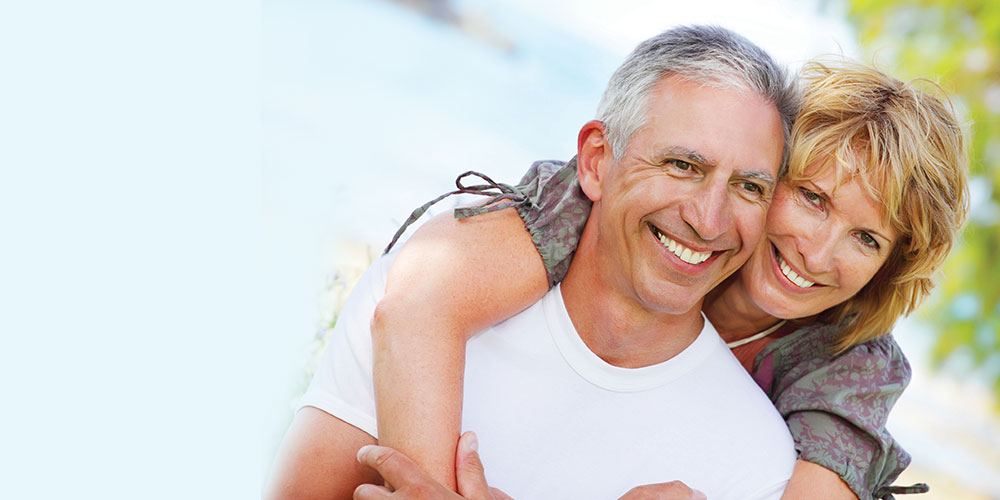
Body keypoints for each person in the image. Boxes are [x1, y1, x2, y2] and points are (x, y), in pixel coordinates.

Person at [357, 56, 969, 498]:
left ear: (891, 267)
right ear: (766, 173)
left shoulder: (851, 367)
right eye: (812, 198)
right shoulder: (622, 208)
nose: (817, 253)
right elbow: (422, 303)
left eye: (867, 239)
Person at [266, 25, 804, 500]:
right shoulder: (441, 283)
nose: (709, 221)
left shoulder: (753, 462)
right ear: (596, 161)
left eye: (749, 187)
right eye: (683, 165)